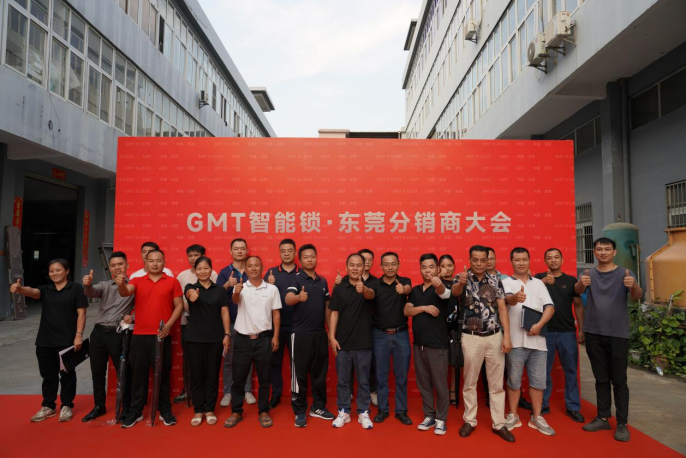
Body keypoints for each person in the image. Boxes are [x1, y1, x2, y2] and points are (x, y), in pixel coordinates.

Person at [576, 237, 642, 442]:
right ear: (594, 252)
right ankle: (603, 417)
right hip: (593, 332)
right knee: (601, 379)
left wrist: (633, 286)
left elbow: (637, 295)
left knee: (619, 380)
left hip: (617, 333)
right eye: (599, 249)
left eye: (607, 249)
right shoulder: (588, 274)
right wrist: (581, 283)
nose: (603, 252)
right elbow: (577, 292)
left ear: (614, 252)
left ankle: (622, 423)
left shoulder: (625, 273)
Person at [11, 259, 88, 423]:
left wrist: (78, 335)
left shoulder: (76, 289)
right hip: (45, 341)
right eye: (51, 271)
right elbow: (33, 292)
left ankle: (67, 405)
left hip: (67, 340)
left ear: (67, 271)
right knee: (48, 376)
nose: (54, 273)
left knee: (67, 375)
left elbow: (81, 314)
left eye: (58, 270)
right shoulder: (46, 290)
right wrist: (20, 289)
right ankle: (48, 406)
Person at [453, 245, 514, 443]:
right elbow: (454, 292)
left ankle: (499, 423)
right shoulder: (461, 278)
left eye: (483, 260)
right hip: (470, 337)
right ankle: (470, 420)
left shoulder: (495, 280)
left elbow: (502, 308)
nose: (479, 264)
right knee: (469, 381)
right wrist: (461, 283)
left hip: (494, 335)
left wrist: (506, 336)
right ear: (469, 260)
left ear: (488, 260)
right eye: (475, 260)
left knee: (496, 384)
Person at [116, 249, 184, 428]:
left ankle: (165, 410)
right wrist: (121, 284)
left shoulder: (172, 281)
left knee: (162, 374)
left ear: (164, 262)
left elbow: (179, 305)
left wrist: (169, 324)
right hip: (139, 335)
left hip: (162, 335)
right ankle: (136, 411)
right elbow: (125, 292)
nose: (155, 263)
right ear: (146, 262)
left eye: (158, 260)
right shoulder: (138, 280)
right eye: (151, 260)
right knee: (138, 375)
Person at [502, 247, 556, 436]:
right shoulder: (506, 282)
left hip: (538, 342)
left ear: (529, 260)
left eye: (524, 259)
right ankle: (513, 415)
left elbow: (550, 307)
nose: (521, 263)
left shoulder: (539, 284)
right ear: (511, 262)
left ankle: (537, 417)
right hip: (515, 341)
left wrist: (540, 324)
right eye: (517, 260)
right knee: (513, 381)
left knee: (538, 382)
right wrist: (515, 298)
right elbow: (507, 301)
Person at [224, 256, 281, 428]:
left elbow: (276, 314)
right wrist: (236, 291)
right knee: (238, 378)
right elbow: (235, 301)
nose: (253, 268)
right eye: (250, 266)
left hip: (264, 339)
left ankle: (263, 411)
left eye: (257, 265)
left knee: (264, 378)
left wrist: (275, 336)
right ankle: (236, 411)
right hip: (242, 339)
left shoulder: (272, 289)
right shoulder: (240, 287)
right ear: (246, 269)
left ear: (262, 268)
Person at [285, 244, 335, 427]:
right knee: (299, 375)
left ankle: (318, 407)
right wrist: (298, 298)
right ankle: (299, 411)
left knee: (320, 373)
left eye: (312, 256)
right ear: (300, 260)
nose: (309, 259)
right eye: (305, 257)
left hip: (319, 334)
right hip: (300, 335)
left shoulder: (322, 281)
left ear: (316, 257)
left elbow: (328, 307)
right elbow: (288, 298)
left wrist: (330, 332)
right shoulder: (296, 278)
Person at [81, 252, 135, 422]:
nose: (117, 267)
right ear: (110, 268)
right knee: (97, 372)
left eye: (120, 264)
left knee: (123, 372)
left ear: (127, 265)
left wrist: (133, 317)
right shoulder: (104, 285)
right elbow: (92, 292)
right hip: (98, 334)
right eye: (113, 265)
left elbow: (143, 307)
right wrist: (88, 285)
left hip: (118, 334)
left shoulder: (133, 286)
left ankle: (126, 406)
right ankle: (99, 406)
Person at [534, 248, 585, 423]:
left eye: (556, 257)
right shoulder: (538, 278)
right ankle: (543, 404)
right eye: (549, 258)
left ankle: (573, 407)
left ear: (562, 260)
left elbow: (578, 305)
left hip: (567, 333)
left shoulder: (571, 281)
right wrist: (543, 282)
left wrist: (581, 329)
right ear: (545, 261)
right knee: (543, 371)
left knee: (571, 371)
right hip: (545, 332)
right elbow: (529, 297)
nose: (553, 260)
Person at [404, 253, 451, 436]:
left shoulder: (443, 287)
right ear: (420, 269)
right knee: (423, 383)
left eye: (431, 267)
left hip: (437, 345)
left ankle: (441, 419)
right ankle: (429, 415)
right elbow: (407, 310)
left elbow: (443, 292)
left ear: (438, 269)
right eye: (424, 267)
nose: (427, 270)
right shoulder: (416, 290)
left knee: (440, 385)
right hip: (419, 344)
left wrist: (438, 283)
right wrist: (424, 308)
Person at [329, 253, 376, 429]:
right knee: (342, 381)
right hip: (342, 343)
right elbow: (334, 313)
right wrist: (332, 337)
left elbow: (371, 295)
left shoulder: (370, 286)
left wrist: (363, 290)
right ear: (346, 267)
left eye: (359, 265)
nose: (355, 268)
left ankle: (363, 412)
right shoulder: (339, 288)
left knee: (363, 381)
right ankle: (344, 411)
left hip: (363, 343)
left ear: (364, 267)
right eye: (352, 265)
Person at [183, 256, 229, 427]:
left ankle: (209, 409)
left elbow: (224, 312)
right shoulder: (191, 287)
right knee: (196, 376)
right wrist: (192, 294)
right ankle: (198, 410)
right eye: (199, 269)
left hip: (215, 338)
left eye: (206, 268)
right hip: (194, 339)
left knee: (212, 375)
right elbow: (189, 293)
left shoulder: (220, 290)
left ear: (211, 269)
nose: (203, 271)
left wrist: (227, 334)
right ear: (195, 271)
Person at [368, 252, 412, 425]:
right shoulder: (374, 284)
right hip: (380, 335)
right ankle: (383, 409)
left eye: (393, 263)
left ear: (398, 265)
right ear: (381, 266)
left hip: (401, 335)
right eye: (386, 264)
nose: (390, 267)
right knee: (381, 375)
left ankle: (401, 410)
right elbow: (369, 294)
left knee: (401, 376)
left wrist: (404, 290)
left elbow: (408, 289)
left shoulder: (404, 281)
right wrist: (364, 290)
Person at [174, 244, 218, 404]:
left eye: (196, 255)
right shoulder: (182, 276)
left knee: (208, 362)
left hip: (208, 324)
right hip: (187, 322)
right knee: (189, 359)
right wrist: (186, 305)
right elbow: (177, 296)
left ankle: (205, 393)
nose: (193, 258)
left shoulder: (213, 274)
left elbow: (215, 296)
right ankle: (187, 390)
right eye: (190, 255)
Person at [216, 238, 254, 407]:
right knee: (229, 359)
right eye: (236, 249)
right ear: (231, 251)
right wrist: (227, 285)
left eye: (242, 248)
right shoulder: (225, 272)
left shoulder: (252, 269)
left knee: (247, 358)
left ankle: (247, 390)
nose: (239, 251)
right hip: (230, 322)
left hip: (249, 322)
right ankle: (228, 392)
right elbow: (215, 295)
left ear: (247, 251)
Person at [264, 238, 300, 409]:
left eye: (290, 250)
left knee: (296, 363)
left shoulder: (302, 273)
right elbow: (261, 298)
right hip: (275, 326)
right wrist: (267, 285)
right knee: (274, 362)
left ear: (295, 252)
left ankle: (296, 394)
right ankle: (276, 394)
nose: (286, 254)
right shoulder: (271, 273)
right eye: (283, 251)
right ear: (279, 252)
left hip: (297, 325)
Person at [358, 248, 379, 406]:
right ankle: (349, 392)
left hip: (372, 327)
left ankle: (373, 391)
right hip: (352, 327)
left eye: (369, 259)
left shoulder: (377, 282)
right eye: (363, 259)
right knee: (350, 360)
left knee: (373, 361)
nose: (366, 262)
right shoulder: (347, 280)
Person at [438, 254, 459, 407]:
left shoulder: (459, 283)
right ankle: (442, 392)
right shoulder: (436, 282)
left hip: (456, 326)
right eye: (443, 266)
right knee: (440, 363)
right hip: (438, 326)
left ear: (454, 267)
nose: (447, 268)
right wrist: (438, 277)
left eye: (449, 265)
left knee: (454, 361)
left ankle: (453, 390)